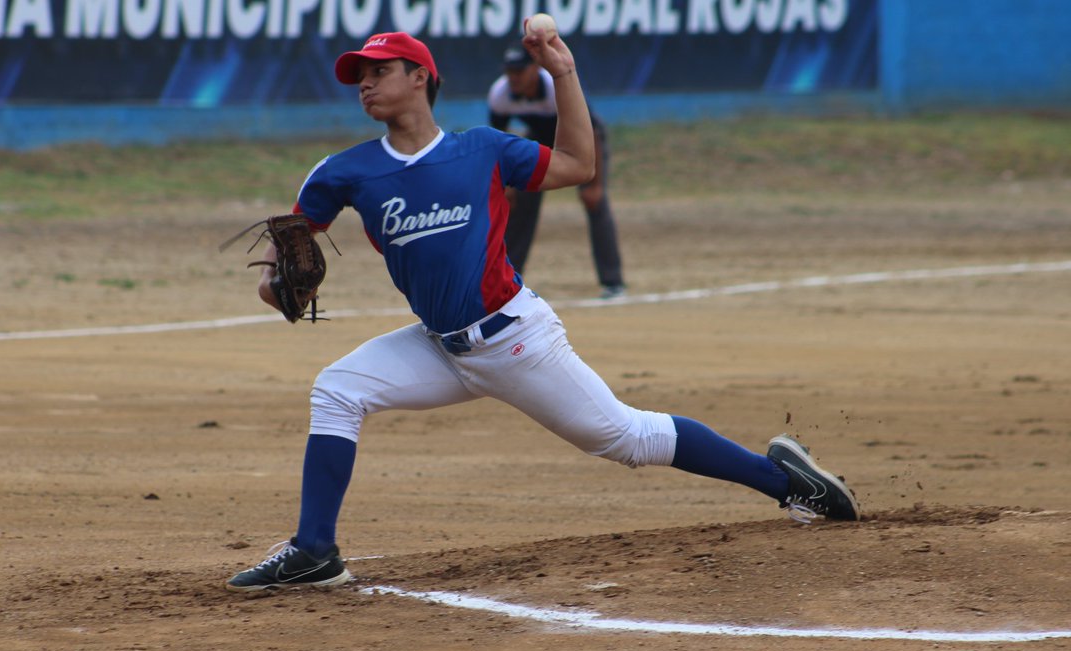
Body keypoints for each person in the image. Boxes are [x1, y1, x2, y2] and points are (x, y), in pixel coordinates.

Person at [225, 30, 858, 594]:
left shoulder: (482, 150)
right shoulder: (344, 173)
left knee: (628, 438)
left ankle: (788, 483)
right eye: (358, 75)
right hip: (439, 346)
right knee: (338, 388)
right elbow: (281, 283)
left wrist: (564, 73)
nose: (365, 83)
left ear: (421, 78)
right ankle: (314, 552)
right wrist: (284, 289)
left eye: (379, 70)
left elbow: (580, 166)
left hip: (514, 340)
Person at [488, 45, 626, 300]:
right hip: (539, 141)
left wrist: (593, 185)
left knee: (595, 202)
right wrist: (506, 185)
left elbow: (592, 131)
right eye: (509, 71)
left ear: (535, 69)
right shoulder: (500, 93)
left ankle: (613, 282)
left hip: (581, 139)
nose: (513, 77)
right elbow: (496, 141)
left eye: (519, 70)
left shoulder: (554, 87)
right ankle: (507, 284)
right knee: (518, 204)